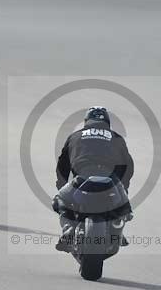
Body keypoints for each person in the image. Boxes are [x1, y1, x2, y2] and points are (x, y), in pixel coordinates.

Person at [53, 107, 134, 252]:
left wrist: (62, 186)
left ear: (86, 122)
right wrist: (123, 187)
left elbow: (62, 165)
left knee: (59, 200)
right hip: (111, 180)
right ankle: (117, 231)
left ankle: (68, 228)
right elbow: (128, 165)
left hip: (82, 178)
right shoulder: (116, 137)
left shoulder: (75, 136)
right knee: (125, 210)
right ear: (107, 122)